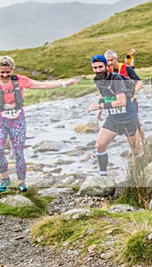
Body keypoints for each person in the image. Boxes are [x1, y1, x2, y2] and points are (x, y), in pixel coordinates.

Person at [0, 56, 78, 192]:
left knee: (18, 151)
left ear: (12, 70)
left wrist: (65, 84)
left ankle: (21, 182)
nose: (5, 75)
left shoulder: (19, 81)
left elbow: (42, 85)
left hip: (17, 119)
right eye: (2, 72)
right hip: (1, 119)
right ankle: (5, 178)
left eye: (8, 72)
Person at [87, 55, 141, 176]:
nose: (98, 70)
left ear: (107, 66)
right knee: (100, 146)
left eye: (100, 67)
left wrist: (100, 107)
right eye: (95, 68)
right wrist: (99, 109)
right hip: (113, 118)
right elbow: (102, 95)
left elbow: (121, 102)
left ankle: (140, 175)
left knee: (136, 150)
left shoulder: (116, 79)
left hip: (128, 117)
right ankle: (103, 176)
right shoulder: (97, 79)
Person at [105, 50, 145, 155]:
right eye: (107, 61)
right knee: (125, 124)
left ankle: (143, 144)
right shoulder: (106, 71)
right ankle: (134, 148)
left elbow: (139, 81)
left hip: (131, 100)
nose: (109, 63)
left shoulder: (126, 68)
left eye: (111, 60)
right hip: (117, 102)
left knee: (135, 122)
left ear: (116, 59)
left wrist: (133, 93)